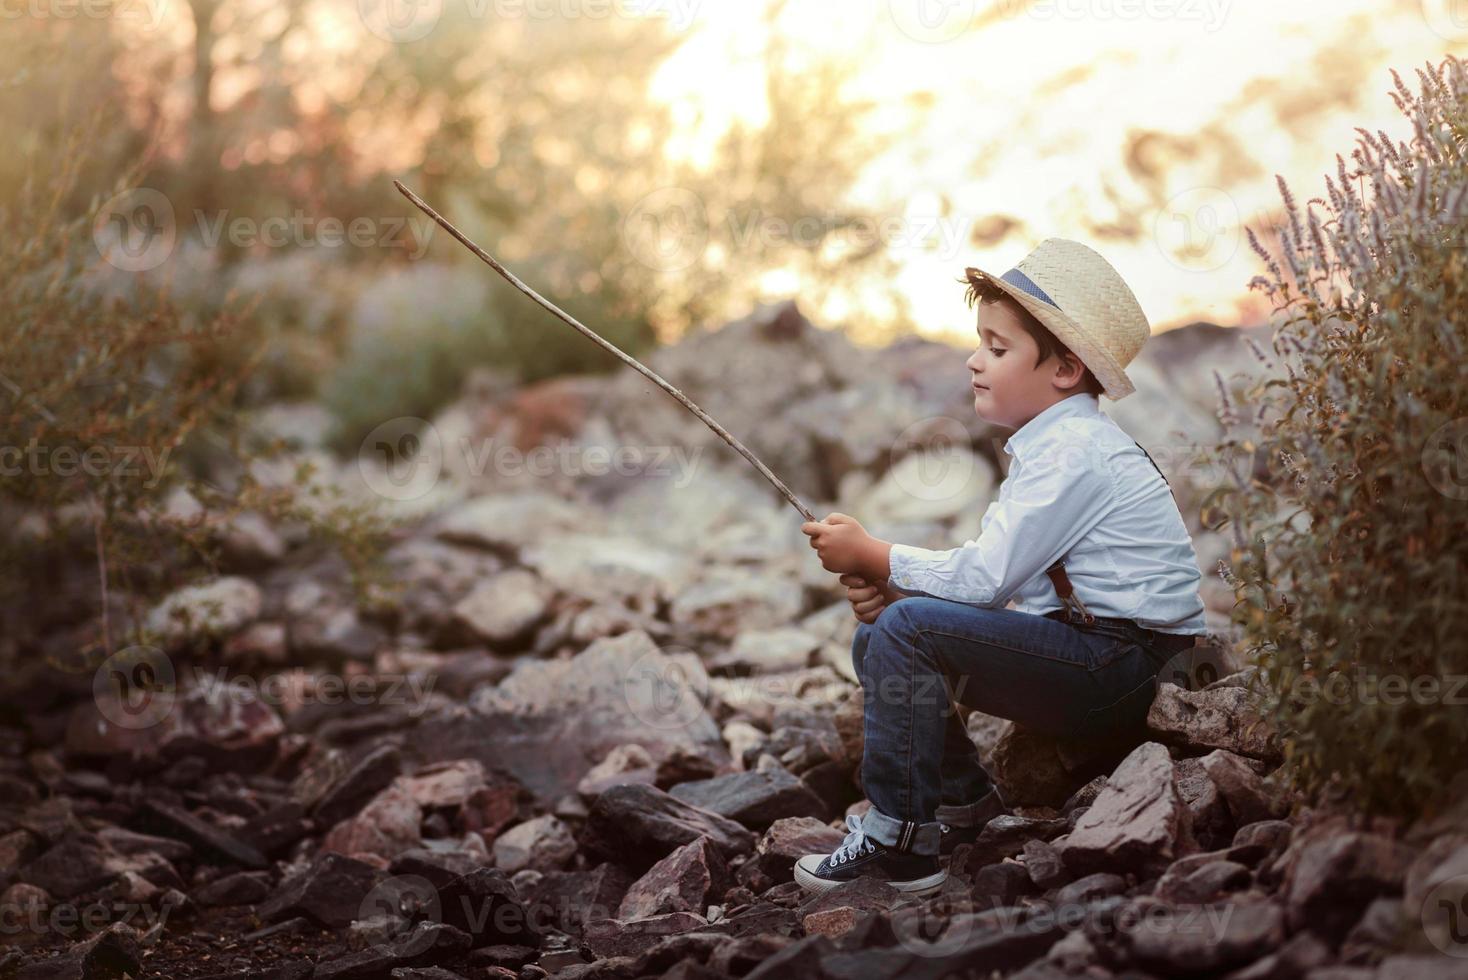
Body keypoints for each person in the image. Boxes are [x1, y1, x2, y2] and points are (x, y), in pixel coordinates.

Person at [795, 238, 1208, 895]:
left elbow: (985, 578)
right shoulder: (1053, 446)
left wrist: (875, 554)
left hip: (1131, 665)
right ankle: (960, 800)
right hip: (1106, 655)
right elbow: (1006, 597)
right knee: (889, 630)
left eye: (996, 347)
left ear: (1066, 370)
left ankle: (900, 840)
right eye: (978, 343)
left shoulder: (1075, 452)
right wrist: (896, 590)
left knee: (906, 632)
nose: (973, 360)